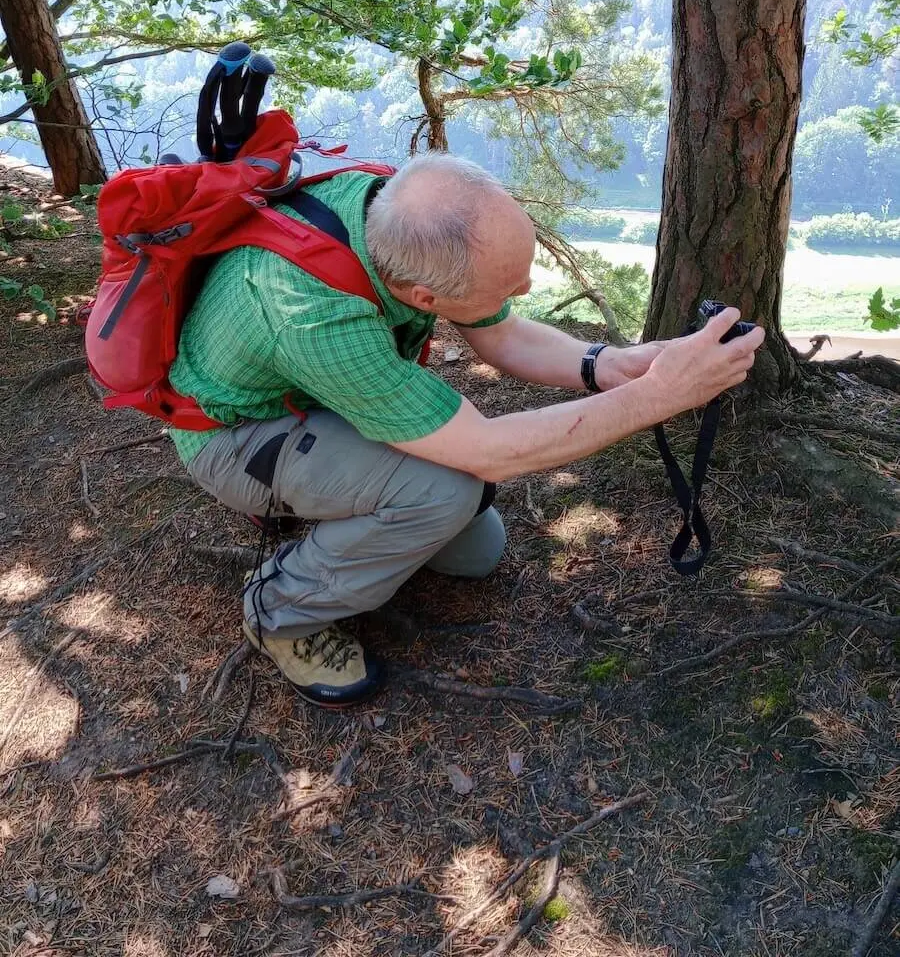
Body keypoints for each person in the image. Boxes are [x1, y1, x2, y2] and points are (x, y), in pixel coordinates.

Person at [169, 154, 765, 707]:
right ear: (425, 296)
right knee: (444, 492)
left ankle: (344, 518)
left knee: (477, 551)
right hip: (239, 436)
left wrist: (607, 365)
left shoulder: (398, 220)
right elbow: (491, 454)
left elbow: (502, 334)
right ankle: (280, 611)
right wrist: (662, 395)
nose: (525, 291)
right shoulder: (318, 318)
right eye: (510, 285)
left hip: (316, 398)